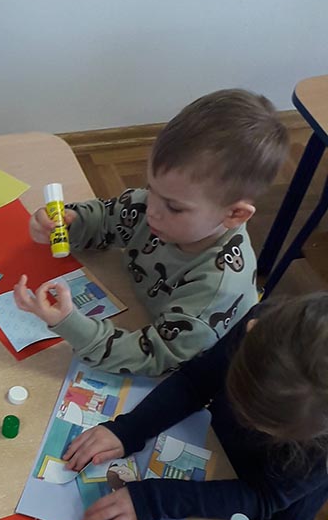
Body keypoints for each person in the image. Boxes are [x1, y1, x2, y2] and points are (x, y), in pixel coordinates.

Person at [21, 90, 288, 375]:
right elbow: (108, 218)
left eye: (173, 207)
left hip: (198, 371)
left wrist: (70, 324)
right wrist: (67, 225)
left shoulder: (215, 288)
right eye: (151, 189)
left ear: (234, 214)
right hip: (143, 314)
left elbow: (154, 358)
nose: (152, 210)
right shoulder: (158, 206)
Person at [66, 293, 328, 520]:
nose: (245, 421)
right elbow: (196, 381)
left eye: (264, 426)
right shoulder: (270, 330)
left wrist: (155, 500)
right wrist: (130, 430)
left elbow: (263, 497)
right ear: (252, 329)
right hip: (213, 447)